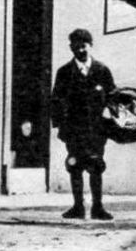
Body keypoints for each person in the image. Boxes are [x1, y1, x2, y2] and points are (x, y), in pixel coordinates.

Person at [49, 28, 116, 220]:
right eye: (76, 46)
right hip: (74, 130)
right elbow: (56, 99)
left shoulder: (102, 70)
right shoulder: (64, 73)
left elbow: (112, 96)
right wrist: (60, 126)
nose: (80, 50)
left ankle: (98, 207)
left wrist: (109, 116)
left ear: (90, 45)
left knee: (96, 166)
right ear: (71, 48)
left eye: (84, 46)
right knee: (75, 165)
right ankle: (78, 206)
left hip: (96, 129)